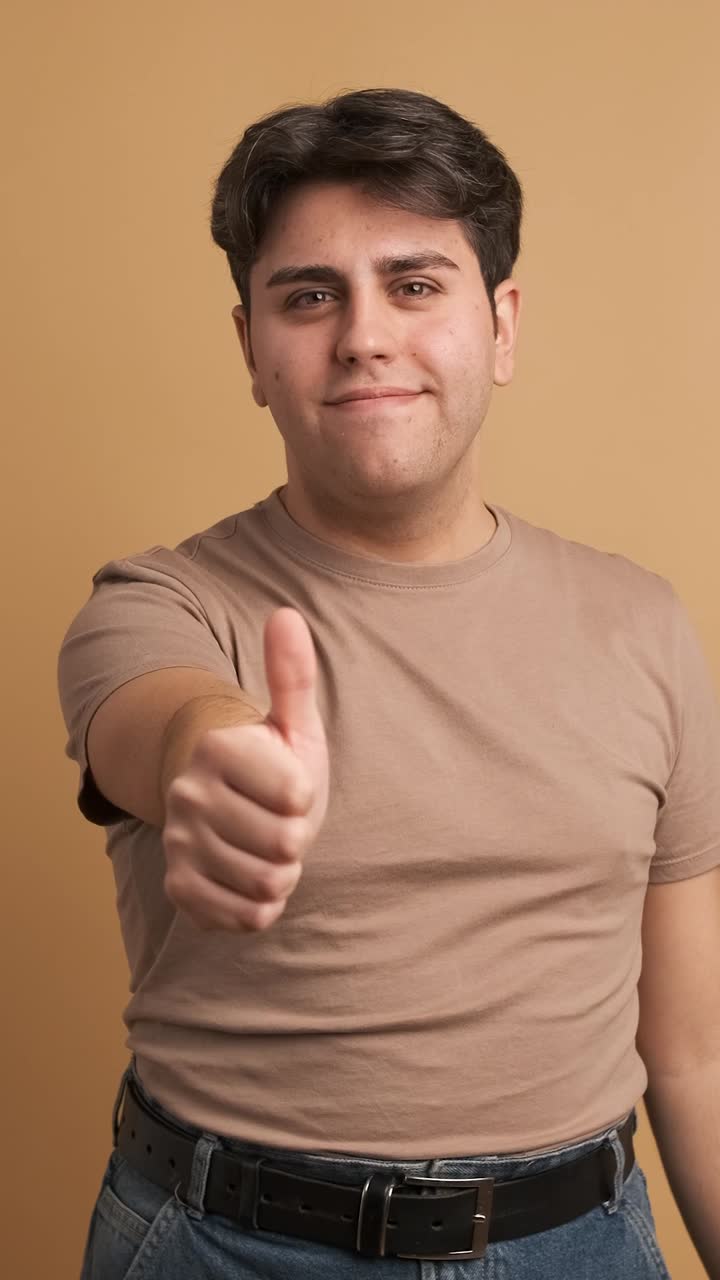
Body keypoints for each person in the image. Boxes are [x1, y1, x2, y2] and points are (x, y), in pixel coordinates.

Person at [57, 87, 720, 1279]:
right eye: (309, 296)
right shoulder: (157, 602)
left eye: (415, 284)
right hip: (220, 1244)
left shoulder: (646, 624)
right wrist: (214, 761)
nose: (362, 333)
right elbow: (163, 725)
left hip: (582, 1243)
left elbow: (697, 1054)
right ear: (252, 349)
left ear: (502, 326)